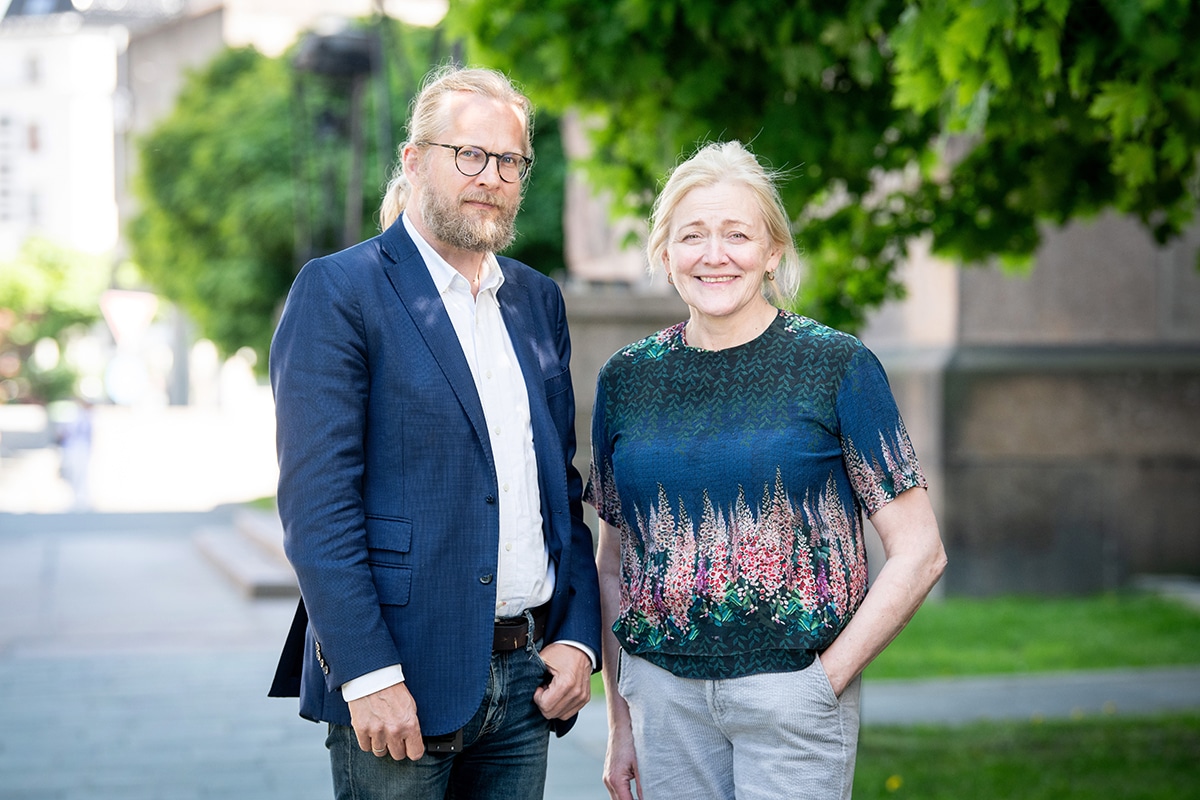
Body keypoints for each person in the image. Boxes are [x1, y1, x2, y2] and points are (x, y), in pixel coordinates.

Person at [268, 65, 601, 800]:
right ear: (415, 160)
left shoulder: (536, 301)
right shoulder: (340, 291)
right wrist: (367, 673)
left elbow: (559, 490)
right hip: (401, 687)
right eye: (469, 155)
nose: (491, 177)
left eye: (509, 161)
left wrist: (578, 638)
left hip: (527, 683)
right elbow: (318, 510)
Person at [585, 141, 948, 800]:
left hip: (793, 696)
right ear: (665, 253)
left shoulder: (836, 366)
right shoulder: (627, 379)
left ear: (773, 252)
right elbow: (613, 565)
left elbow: (921, 552)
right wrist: (619, 722)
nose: (714, 254)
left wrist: (823, 681)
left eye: (738, 234)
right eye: (692, 235)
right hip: (663, 704)